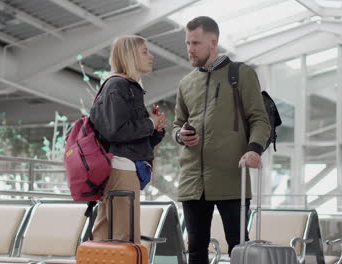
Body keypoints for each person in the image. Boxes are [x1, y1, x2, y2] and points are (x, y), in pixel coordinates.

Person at [172, 16, 270, 263]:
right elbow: (176, 124)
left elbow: (260, 119)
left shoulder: (241, 74)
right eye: (187, 43)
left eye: (195, 43)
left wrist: (254, 150)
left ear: (213, 42)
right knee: (195, 250)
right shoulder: (186, 83)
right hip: (193, 182)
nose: (190, 49)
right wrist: (180, 135)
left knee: (239, 248)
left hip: (232, 179)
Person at [89, 35, 168, 244]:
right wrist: (149, 123)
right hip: (121, 169)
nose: (151, 56)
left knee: (106, 237)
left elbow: (132, 138)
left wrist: (155, 129)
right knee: (125, 238)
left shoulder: (127, 87)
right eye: (145, 52)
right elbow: (116, 131)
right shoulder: (118, 86)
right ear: (130, 55)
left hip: (122, 167)